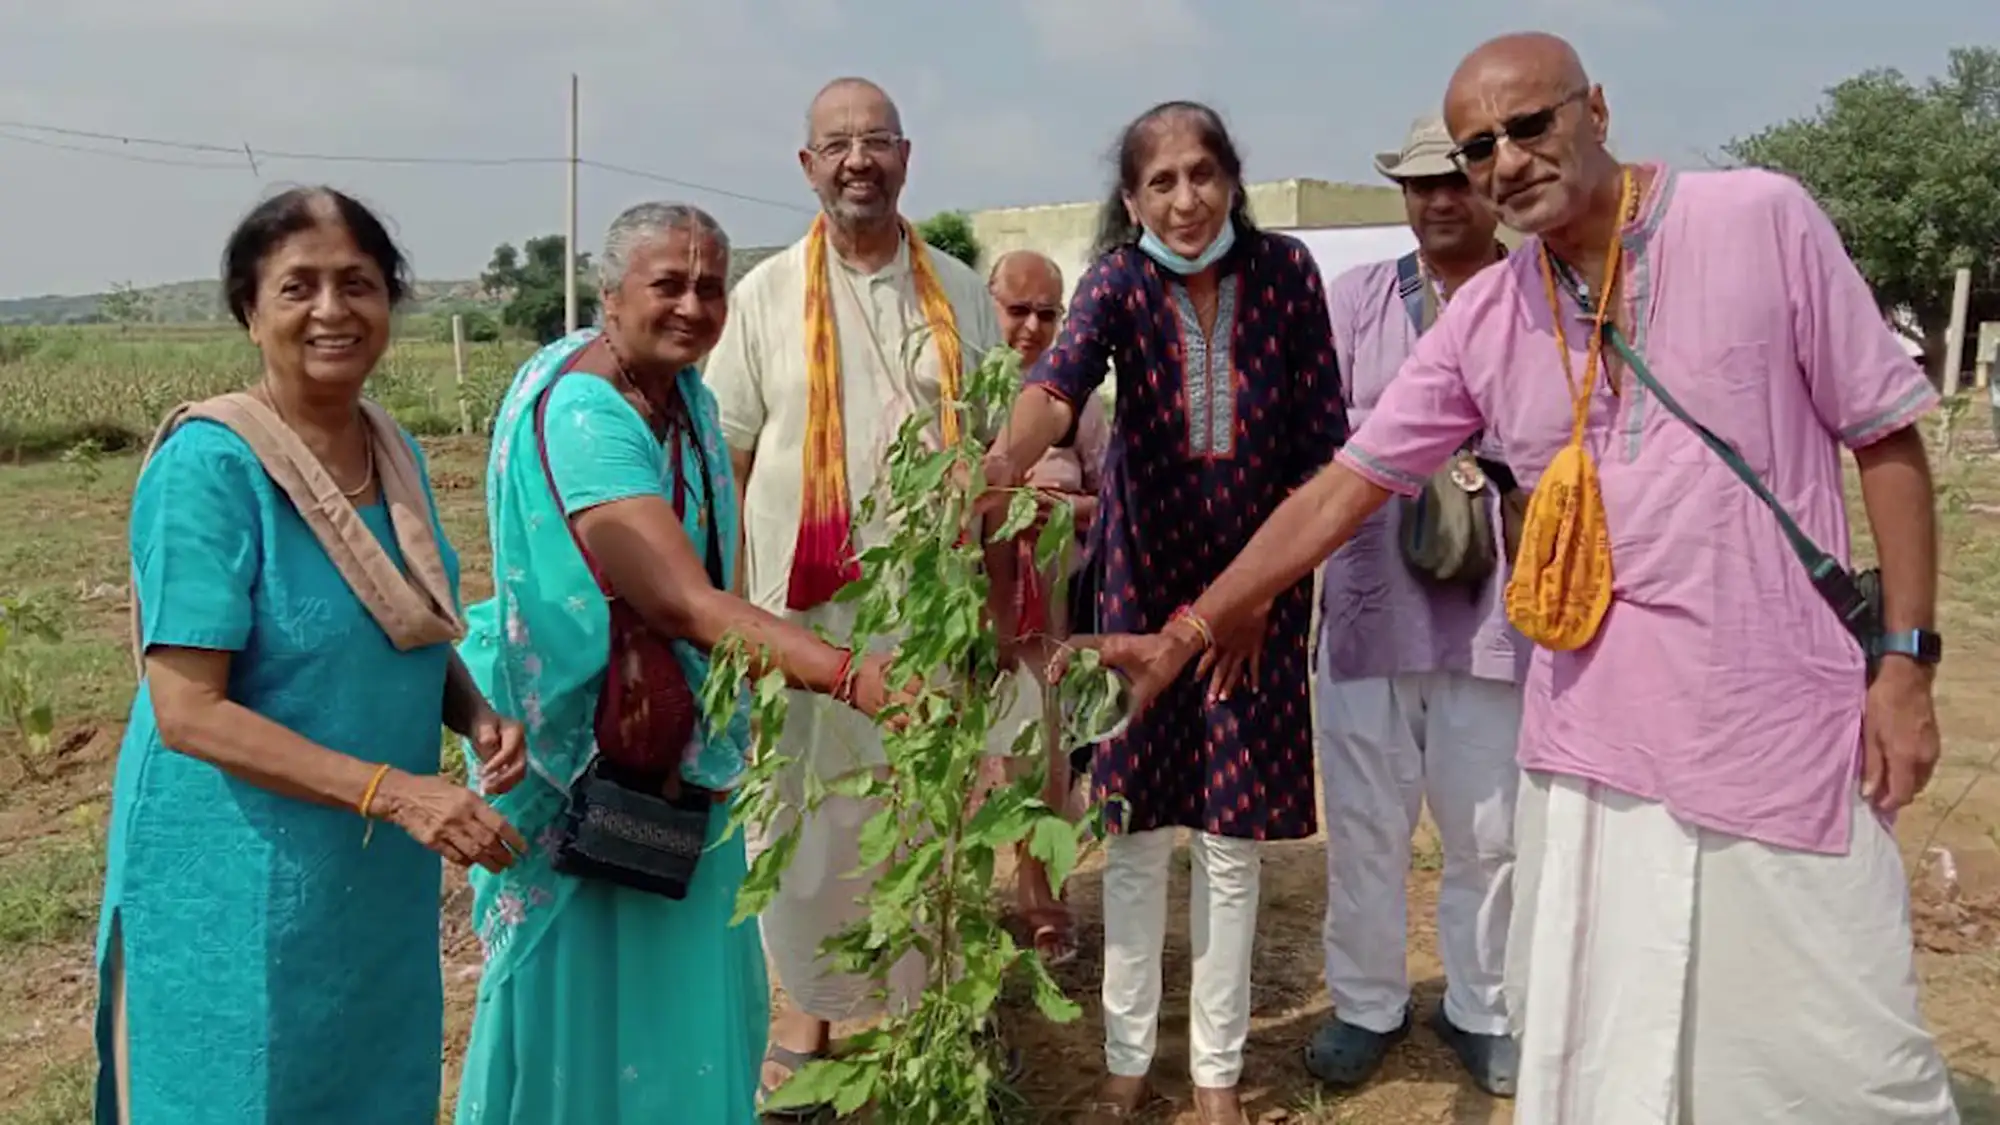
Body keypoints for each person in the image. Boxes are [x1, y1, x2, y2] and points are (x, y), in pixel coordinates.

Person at [1075, 33, 1961, 1125]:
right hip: (1593, 745)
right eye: (1477, 146)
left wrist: (1905, 662)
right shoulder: (1492, 315)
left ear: (1594, 108)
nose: (1505, 161)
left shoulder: (1756, 219)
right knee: (1615, 1054)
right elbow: (1341, 487)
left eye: (1527, 127)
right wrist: (1187, 630)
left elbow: (1883, 436)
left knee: (1834, 1051)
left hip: (1772, 725)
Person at [450, 202, 907, 1125]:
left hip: (671, 741)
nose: (694, 304)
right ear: (611, 296)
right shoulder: (584, 411)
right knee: (572, 1002)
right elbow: (679, 601)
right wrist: (856, 675)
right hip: (572, 756)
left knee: (676, 987)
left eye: (710, 284)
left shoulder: (683, 398)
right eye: (669, 284)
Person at [94, 186, 528, 1125]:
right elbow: (188, 710)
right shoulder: (212, 468)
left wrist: (471, 710)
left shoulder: (389, 447)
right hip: (236, 878)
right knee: (245, 1086)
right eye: (298, 287)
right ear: (251, 313)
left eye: (357, 284)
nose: (332, 311)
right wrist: (400, 791)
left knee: (366, 1082)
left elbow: (401, 615)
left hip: (367, 872)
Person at [980, 101, 1345, 1125]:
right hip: (1138, 598)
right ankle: (1128, 1062)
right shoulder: (1115, 285)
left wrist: (1260, 598)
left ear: (1231, 176)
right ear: (1131, 199)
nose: (1183, 200)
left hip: (1259, 600)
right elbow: (1056, 386)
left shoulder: (1285, 281)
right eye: (1159, 183)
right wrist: (1003, 462)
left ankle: (1217, 1075)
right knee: (1135, 840)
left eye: (1201, 174)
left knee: (1230, 849)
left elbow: (1321, 448)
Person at [702, 77, 1005, 1116]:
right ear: (806, 166)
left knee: (920, 807)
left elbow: (996, 455)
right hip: (798, 617)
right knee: (797, 814)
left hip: (927, 611)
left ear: (906, 157)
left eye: (875, 141)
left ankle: (926, 1006)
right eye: (836, 145)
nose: (856, 161)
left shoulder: (960, 292)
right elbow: (729, 458)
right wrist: (729, 612)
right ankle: (807, 1014)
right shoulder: (762, 296)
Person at [1302, 114, 1524, 1098]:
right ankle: (1364, 1004)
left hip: (1498, 610)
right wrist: (1434, 441)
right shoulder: (1353, 300)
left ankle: (1484, 1006)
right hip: (1367, 605)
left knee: (1490, 824)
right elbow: (1311, 434)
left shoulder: (1545, 298)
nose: (1438, 200)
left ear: (1489, 181)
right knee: (1361, 819)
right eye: (1419, 184)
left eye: (1456, 179)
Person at [984, 249, 1110, 966]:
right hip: (970, 616)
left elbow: (1114, 497)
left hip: (1051, 619)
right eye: (1017, 310)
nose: (1032, 326)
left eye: (1047, 313)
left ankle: (1041, 897)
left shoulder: (1078, 400)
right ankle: (953, 905)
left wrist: (1062, 508)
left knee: (1042, 757)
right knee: (964, 756)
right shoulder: (964, 391)